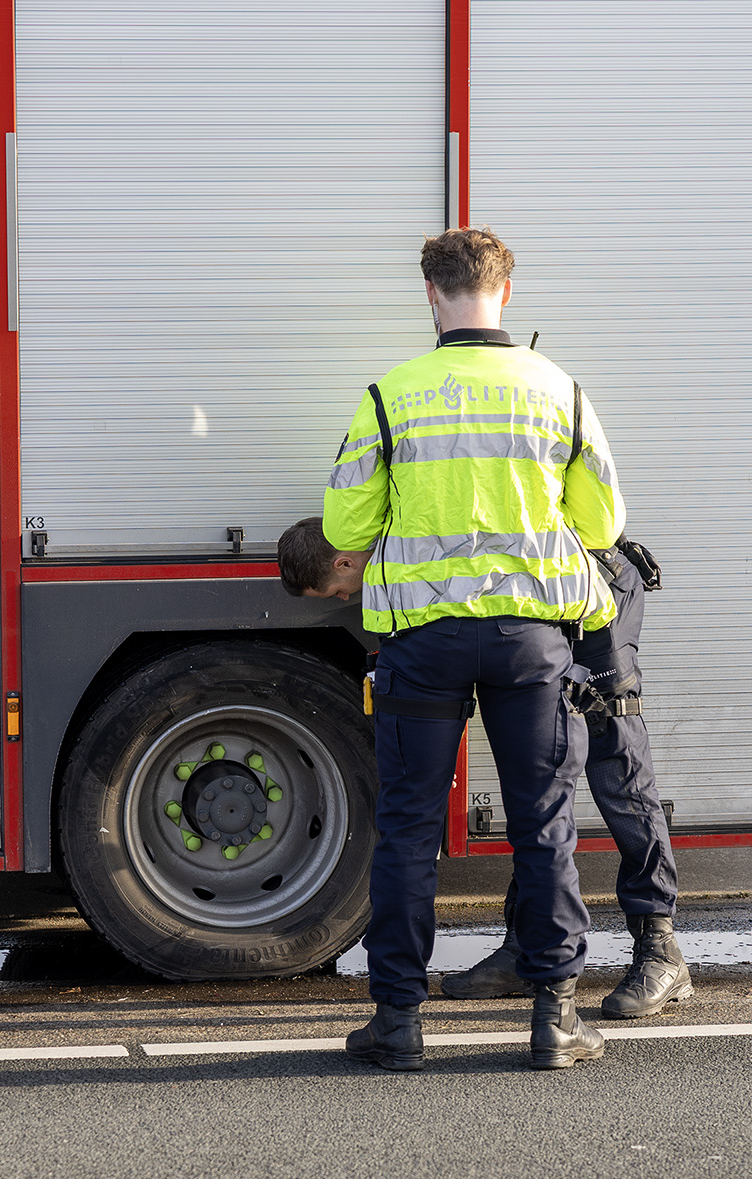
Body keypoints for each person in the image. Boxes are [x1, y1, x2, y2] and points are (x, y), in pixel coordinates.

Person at [276, 227, 623, 1072]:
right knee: (542, 826)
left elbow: (349, 528)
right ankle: (553, 1018)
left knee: (405, 830)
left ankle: (398, 1020)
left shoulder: (392, 398)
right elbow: (603, 524)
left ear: (431, 294)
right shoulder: (559, 389)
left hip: (421, 644)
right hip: (530, 642)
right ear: (508, 291)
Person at [440, 540, 693, 1018]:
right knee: (542, 787)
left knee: (617, 757)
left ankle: (661, 950)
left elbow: (596, 513)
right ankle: (528, 950)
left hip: (591, 578)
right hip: (532, 588)